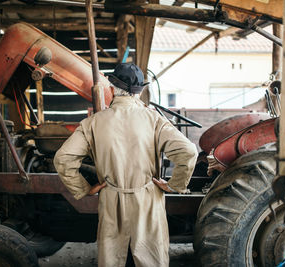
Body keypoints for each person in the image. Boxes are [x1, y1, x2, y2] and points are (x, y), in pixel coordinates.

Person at [54, 63, 198, 267]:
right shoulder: (154, 120)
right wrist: (175, 185)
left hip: (111, 198)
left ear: (112, 88)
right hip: (147, 200)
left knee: (112, 259)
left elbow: (63, 158)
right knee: (151, 258)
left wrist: (84, 188)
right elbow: (189, 151)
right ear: (140, 92)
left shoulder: (93, 123)